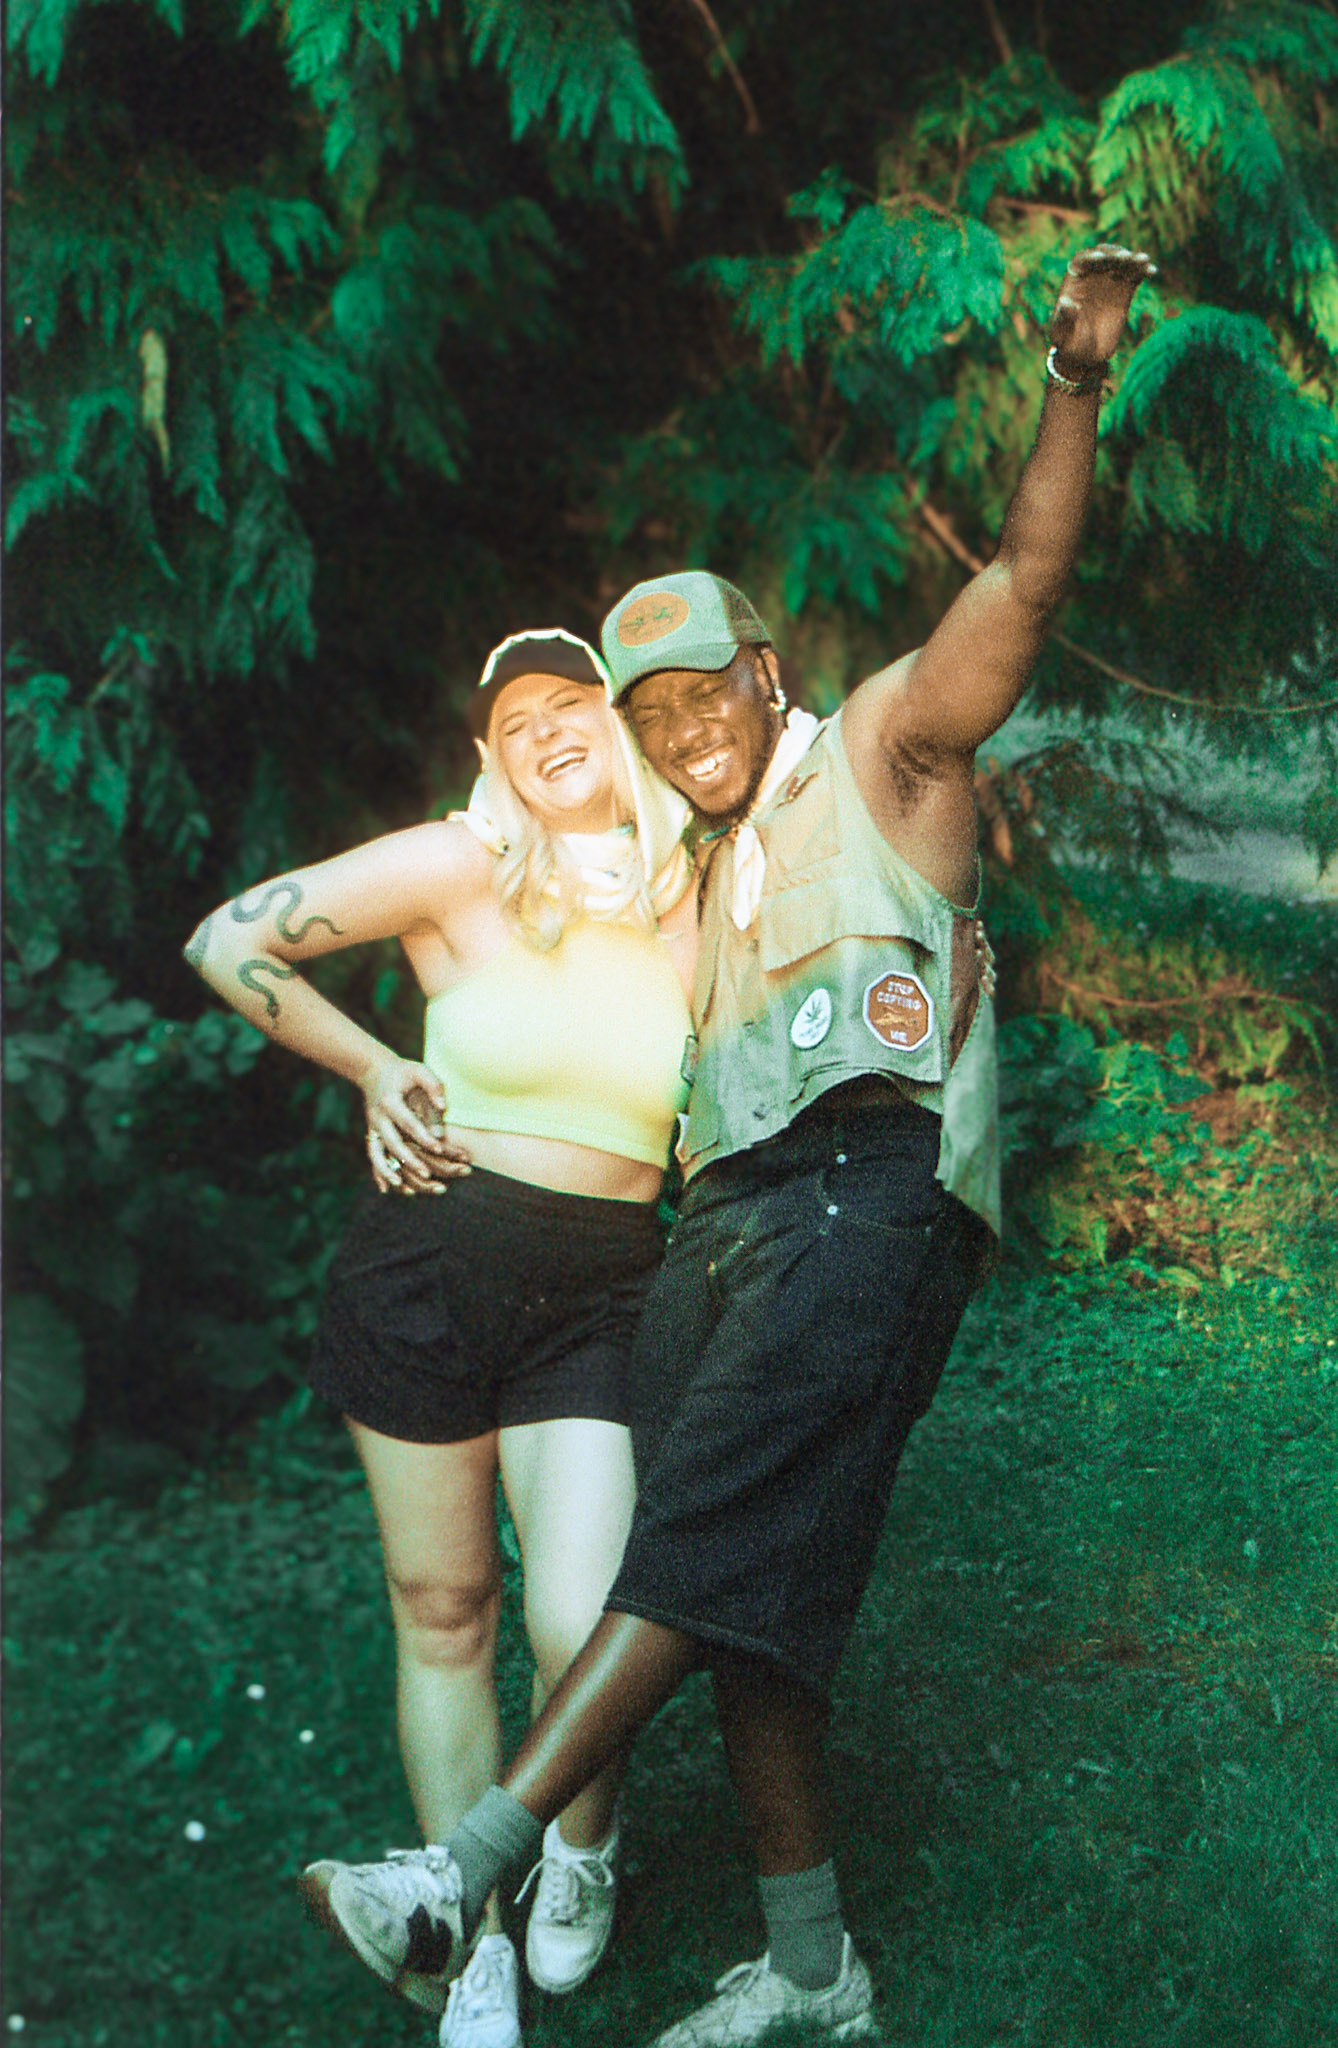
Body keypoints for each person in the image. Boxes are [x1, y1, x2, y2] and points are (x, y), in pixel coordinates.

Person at [299, 245, 1156, 2045]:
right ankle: (812, 1969)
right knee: (745, 1596)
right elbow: (536, 902)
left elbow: (1022, 579)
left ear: (764, 673)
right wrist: (411, 1039)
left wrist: (1072, 385)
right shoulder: (686, 869)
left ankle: (457, 1875)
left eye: (708, 691)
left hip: (868, 1193)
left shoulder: (885, 746)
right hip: (723, 1225)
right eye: (654, 714)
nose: (687, 730)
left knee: (699, 1538)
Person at [185, 629, 698, 2048]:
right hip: (423, 1274)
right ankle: (468, 1942)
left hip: (601, 1291)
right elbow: (227, 940)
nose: (546, 731)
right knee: (445, 1609)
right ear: (490, 759)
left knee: (581, 1616)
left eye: (570, 701)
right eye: (515, 720)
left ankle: (579, 1846)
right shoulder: (461, 867)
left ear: (619, 720)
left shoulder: (697, 883)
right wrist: (373, 1065)